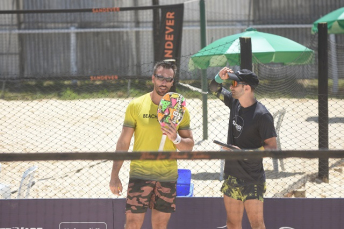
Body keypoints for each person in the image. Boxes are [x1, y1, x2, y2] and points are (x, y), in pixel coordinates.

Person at [109, 60, 194, 229]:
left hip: (167, 176)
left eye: (168, 79)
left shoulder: (179, 110)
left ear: (172, 82)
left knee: (160, 226)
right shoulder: (136, 105)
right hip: (140, 174)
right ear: (153, 78)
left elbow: (189, 146)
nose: (164, 82)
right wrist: (114, 174)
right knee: (132, 225)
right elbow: (123, 142)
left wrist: (175, 138)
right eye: (160, 77)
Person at [209, 67, 277, 229]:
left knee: (257, 224)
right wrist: (219, 77)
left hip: (252, 179)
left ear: (246, 88)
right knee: (232, 224)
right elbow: (213, 88)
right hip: (232, 175)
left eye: (234, 83)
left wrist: (244, 153)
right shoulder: (235, 103)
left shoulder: (262, 115)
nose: (231, 87)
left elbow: (272, 148)